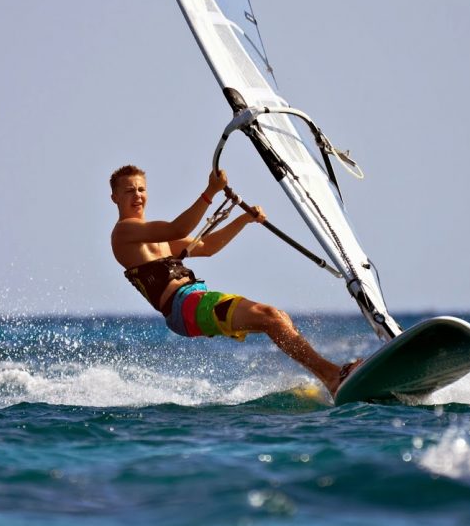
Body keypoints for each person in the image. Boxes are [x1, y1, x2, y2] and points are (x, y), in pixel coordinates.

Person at [109, 164, 357, 395]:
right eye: (129, 191)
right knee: (270, 317)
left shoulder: (155, 237)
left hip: (194, 303)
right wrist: (210, 192)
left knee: (279, 318)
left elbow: (206, 246)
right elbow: (179, 229)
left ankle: (331, 378)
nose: (137, 195)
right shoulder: (124, 231)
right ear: (115, 198)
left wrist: (244, 219)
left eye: (141, 189)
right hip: (184, 308)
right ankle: (334, 376)